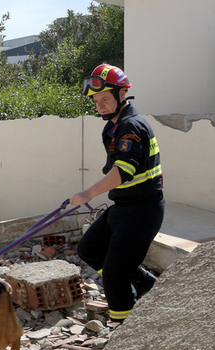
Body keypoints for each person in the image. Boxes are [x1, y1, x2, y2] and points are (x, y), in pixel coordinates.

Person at [69, 64, 164, 322]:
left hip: (141, 211)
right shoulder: (114, 125)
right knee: (89, 248)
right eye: (96, 100)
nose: (99, 105)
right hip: (124, 207)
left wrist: (88, 193)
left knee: (113, 274)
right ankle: (147, 285)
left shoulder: (130, 126)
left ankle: (124, 328)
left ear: (123, 94)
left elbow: (123, 171)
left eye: (105, 99)